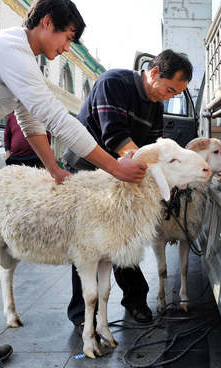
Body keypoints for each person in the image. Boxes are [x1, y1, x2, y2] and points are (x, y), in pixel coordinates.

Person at [0, 0, 147, 368]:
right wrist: (115, 168)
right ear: (45, 24)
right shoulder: (12, 52)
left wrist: (53, 168)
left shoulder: (21, 60)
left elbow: (30, 121)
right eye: (67, 37)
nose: (66, 47)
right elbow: (56, 118)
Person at [63, 49, 192, 326]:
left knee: (124, 236)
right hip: (89, 170)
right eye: (169, 89)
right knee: (88, 242)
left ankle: (135, 300)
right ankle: (82, 312)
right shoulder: (113, 83)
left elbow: (156, 148)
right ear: (154, 72)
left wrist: (168, 173)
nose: (168, 97)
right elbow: (116, 137)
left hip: (123, 171)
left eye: (174, 95)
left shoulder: (156, 105)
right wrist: (156, 173)